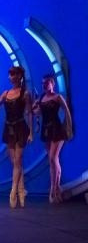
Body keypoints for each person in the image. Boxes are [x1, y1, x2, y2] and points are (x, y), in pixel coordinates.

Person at [0, 66, 32, 208]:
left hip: (20, 128)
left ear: (19, 76)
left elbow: (29, 113)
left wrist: (31, 133)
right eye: (9, 74)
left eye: (13, 74)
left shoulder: (25, 93)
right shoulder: (6, 93)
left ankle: (13, 190)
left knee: (18, 160)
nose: (10, 77)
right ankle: (21, 190)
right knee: (15, 162)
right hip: (9, 128)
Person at [33, 74, 73, 203]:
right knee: (52, 161)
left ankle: (53, 190)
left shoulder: (58, 97)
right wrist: (34, 107)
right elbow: (37, 113)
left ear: (52, 83)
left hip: (57, 130)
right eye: (43, 83)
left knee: (52, 157)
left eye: (46, 83)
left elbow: (67, 113)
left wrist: (69, 129)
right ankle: (56, 188)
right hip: (46, 130)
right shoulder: (41, 98)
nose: (44, 85)